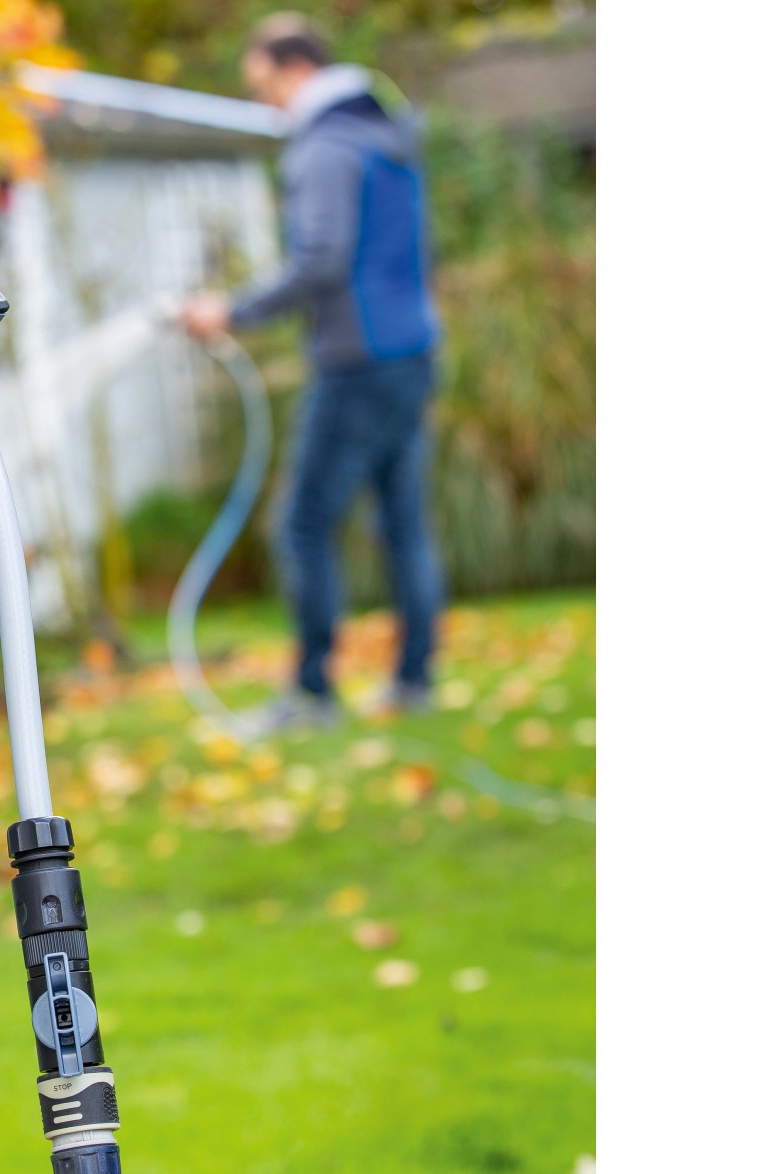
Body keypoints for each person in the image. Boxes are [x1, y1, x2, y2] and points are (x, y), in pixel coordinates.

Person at [182, 13, 441, 724]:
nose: (267, 105)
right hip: (413, 349)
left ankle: (312, 692)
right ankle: (416, 681)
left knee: (300, 525)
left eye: (265, 86)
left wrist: (231, 310)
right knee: (403, 522)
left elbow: (321, 261)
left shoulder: (325, 148)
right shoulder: (387, 135)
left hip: (358, 361)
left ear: (296, 70)